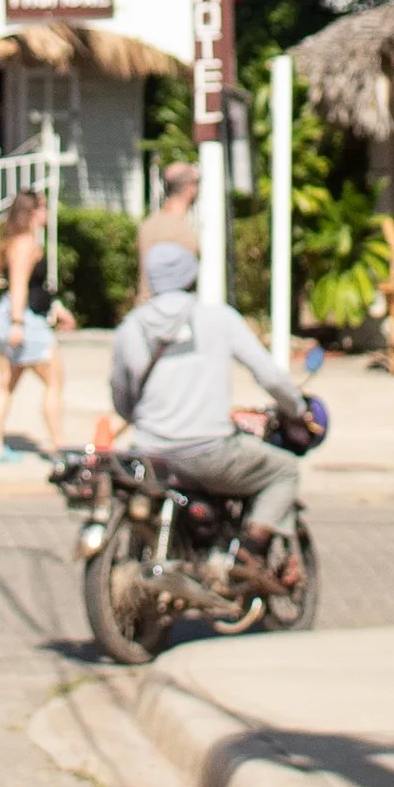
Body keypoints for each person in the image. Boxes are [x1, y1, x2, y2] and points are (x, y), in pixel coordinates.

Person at [107, 241, 310, 597]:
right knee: (285, 470)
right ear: (192, 276)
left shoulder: (130, 328)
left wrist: (143, 419)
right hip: (210, 453)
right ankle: (248, 552)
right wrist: (297, 409)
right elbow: (271, 377)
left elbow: (121, 396)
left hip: (151, 454)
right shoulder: (218, 318)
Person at [0, 186, 73, 461]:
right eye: (43, 207)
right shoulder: (24, 244)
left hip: (21, 315)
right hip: (23, 320)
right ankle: (60, 446)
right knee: (54, 381)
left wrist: (54, 307)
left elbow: (34, 288)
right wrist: (18, 324)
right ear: (32, 212)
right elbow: (19, 285)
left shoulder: (19, 241)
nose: (47, 213)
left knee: (7, 382)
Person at [132, 157, 201, 301]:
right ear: (190, 189)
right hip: (172, 316)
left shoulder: (147, 225)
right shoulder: (184, 233)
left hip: (146, 311)